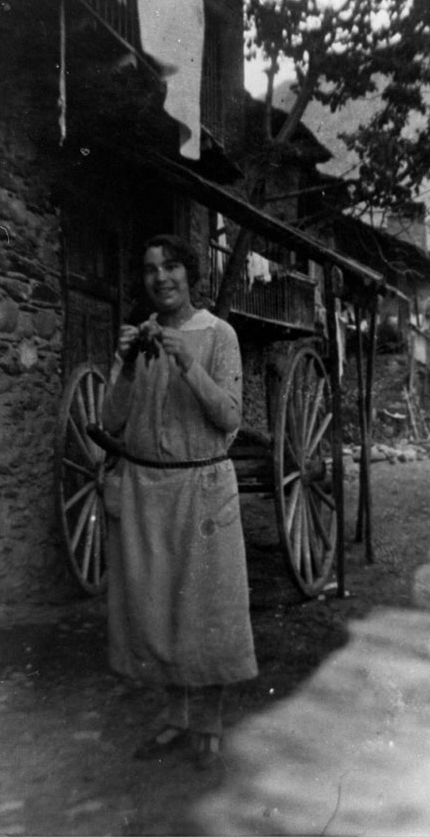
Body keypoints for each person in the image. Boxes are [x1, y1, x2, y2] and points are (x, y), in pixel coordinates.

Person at [102, 234, 257, 768]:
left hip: (203, 489)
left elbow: (230, 417)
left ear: (190, 275)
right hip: (148, 490)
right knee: (161, 608)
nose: (160, 277)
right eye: (149, 270)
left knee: (207, 609)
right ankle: (175, 718)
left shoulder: (220, 336)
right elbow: (111, 423)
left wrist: (190, 366)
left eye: (170, 267)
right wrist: (123, 367)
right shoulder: (140, 339)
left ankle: (209, 723)